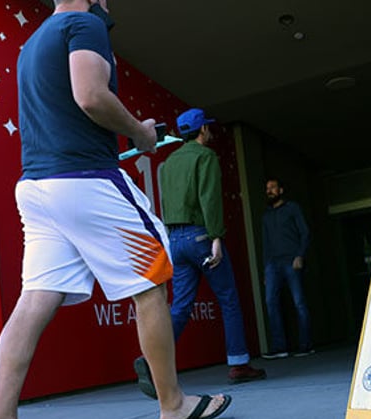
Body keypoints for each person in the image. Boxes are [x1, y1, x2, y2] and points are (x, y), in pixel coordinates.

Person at [0, 0, 231, 419]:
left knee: (32, 302)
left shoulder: (32, 45)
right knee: (154, 278)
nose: (109, 2)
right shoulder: (83, 23)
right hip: (86, 183)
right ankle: (173, 405)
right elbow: (89, 95)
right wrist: (139, 131)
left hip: (38, 189)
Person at [133, 108, 265, 395]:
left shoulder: (168, 164)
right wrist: (216, 237)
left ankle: (151, 361)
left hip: (175, 241)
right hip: (201, 236)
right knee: (228, 298)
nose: (210, 132)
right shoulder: (205, 157)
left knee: (180, 306)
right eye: (208, 128)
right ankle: (239, 364)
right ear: (202, 130)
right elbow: (209, 199)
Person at [260, 178, 314, 359]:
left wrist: (300, 255)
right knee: (270, 303)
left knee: (299, 303)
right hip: (272, 265)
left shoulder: (293, 208)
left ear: (281, 190)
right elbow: (265, 244)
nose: (269, 191)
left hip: (292, 260)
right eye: (267, 188)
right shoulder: (266, 216)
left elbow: (305, 232)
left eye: (273, 187)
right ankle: (279, 347)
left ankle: (306, 345)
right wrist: (265, 269)